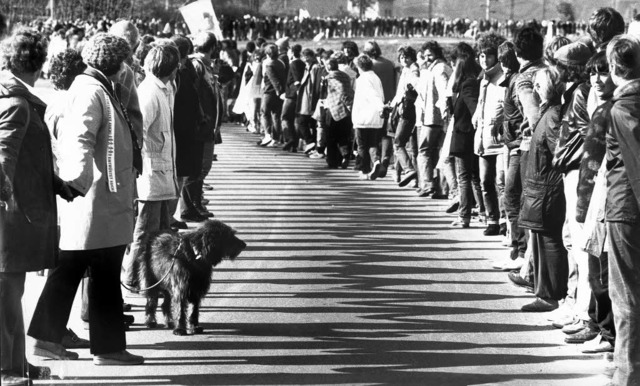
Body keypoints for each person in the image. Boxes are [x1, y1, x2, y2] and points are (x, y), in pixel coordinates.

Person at [27, 33, 144, 366]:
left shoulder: (96, 87)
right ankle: (105, 349)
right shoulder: (93, 91)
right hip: (94, 199)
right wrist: (76, 183)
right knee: (99, 273)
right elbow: (81, 137)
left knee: (76, 270)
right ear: (118, 64)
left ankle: (47, 339)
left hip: (99, 200)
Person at [0, 27, 64, 386]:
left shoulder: (14, 97)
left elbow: (25, 159)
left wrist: (57, 185)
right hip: (10, 215)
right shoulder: (16, 103)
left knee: (12, 295)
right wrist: (6, 193)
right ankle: (6, 370)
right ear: (38, 66)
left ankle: (16, 364)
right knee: (6, 296)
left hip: (16, 212)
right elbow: (4, 157)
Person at [126, 44, 180, 280]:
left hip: (159, 172)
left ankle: (150, 276)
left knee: (159, 232)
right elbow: (137, 133)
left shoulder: (161, 89)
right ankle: (133, 277)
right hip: (150, 173)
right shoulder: (150, 92)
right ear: (173, 69)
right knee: (146, 232)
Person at [604, 34, 640, 385]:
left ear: (615, 68)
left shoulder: (622, 108)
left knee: (625, 295)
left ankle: (628, 373)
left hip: (625, 209)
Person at [518, 67, 568, 313]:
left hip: (547, 189)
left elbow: (559, 153)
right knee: (542, 240)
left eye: (540, 85)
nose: (534, 89)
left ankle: (551, 295)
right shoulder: (547, 113)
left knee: (549, 242)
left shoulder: (552, 115)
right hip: (541, 188)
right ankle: (546, 292)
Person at [472, 32, 506, 236]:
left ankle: (503, 219)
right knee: (485, 181)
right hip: (483, 139)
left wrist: (498, 122)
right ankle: (491, 218)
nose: (485, 60)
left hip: (499, 140)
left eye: (489, 56)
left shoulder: (502, 78)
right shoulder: (483, 80)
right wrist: (476, 116)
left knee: (501, 181)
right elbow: (481, 104)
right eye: (482, 56)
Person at [447, 43, 481, 229]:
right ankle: (482, 212)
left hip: (464, 135)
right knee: (474, 177)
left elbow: (474, 108)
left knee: (464, 178)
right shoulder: (473, 81)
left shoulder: (467, 85)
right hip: (469, 135)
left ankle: (464, 215)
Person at [415, 41, 452, 197]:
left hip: (434, 118)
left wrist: (444, 113)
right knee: (440, 153)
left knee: (424, 151)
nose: (427, 58)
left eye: (430, 54)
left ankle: (428, 184)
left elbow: (444, 92)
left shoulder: (439, 69)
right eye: (425, 55)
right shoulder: (434, 69)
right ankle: (442, 188)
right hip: (434, 117)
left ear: (437, 53)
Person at [190, 31, 219, 218]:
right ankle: (194, 203)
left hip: (208, 125)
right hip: (202, 125)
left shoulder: (206, 65)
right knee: (201, 166)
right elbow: (195, 93)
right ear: (213, 47)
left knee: (203, 166)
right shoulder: (198, 65)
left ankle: (196, 200)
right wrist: (202, 117)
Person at [364, 40, 396, 177]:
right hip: (390, 100)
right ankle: (385, 159)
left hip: (374, 103)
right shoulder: (389, 64)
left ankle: (375, 161)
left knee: (373, 134)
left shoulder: (370, 67)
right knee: (386, 133)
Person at [352, 54, 385, 180]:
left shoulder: (362, 79)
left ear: (359, 67)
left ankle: (364, 170)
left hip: (363, 117)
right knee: (372, 143)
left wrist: (380, 106)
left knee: (362, 145)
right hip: (375, 117)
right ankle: (376, 161)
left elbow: (373, 95)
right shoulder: (376, 77)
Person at [392, 45, 420, 187]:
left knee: (398, 142)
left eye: (406, 57)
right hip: (404, 109)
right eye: (402, 57)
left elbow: (415, 85)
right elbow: (399, 93)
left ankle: (409, 170)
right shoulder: (405, 70)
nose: (404, 59)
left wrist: (413, 86)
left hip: (409, 111)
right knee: (411, 145)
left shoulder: (414, 70)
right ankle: (404, 175)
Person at [321, 53, 354, 168]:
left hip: (334, 108)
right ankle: (344, 155)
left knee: (332, 137)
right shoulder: (345, 76)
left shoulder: (330, 77)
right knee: (344, 135)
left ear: (329, 67)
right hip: (346, 110)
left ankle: (333, 162)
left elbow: (340, 91)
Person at [258, 44, 286, 147]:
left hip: (269, 92)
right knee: (276, 115)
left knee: (264, 113)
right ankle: (276, 138)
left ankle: (268, 134)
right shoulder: (281, 63)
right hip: (279, 94)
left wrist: (279, 91)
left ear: (267, 54)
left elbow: (274, 80)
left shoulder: (269, 65)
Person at [281, 44, 305, 152]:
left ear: (292, 53)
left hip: (291, 95)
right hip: (296, 95)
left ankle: (290, 138)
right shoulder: (302, 63)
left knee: (285, 117)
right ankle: (294, 144)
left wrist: (296, 93)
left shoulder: (293, 63)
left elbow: (297, 80)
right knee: (294, 119)